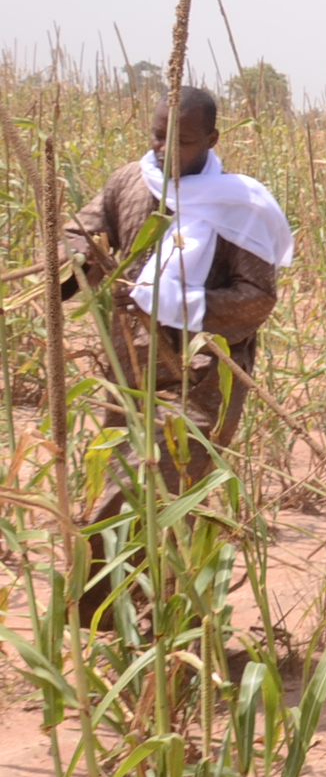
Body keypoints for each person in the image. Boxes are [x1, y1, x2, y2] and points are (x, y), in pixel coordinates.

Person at [62, 88, 293, 498]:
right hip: (130, 366)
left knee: (163, 496)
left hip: (200, 375)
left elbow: (257, 297)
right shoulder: (129, 182)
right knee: (114, 490)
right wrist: (81, 258)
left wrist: (163, 303)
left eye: (182, 142)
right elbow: (78, 235)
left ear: (212, 139)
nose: (165, 150)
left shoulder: (241, 205)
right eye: (157, 136)